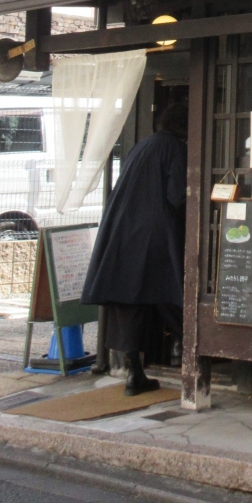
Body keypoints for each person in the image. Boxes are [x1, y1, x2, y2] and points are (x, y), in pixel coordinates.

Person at [81, 101, 187, 395]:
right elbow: (178, 197)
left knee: (129, 302)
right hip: (153, 236)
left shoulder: (141, 147)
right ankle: (190, 350)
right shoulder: (175, 149)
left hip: (122, 231)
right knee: (170, 293)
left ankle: (132, 371)